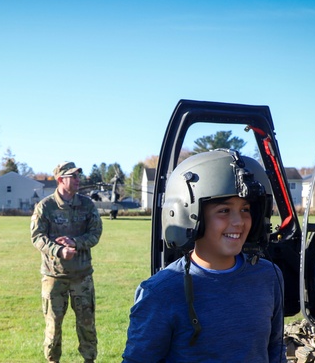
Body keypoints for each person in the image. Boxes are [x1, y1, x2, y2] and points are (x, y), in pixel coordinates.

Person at [122, 149, 285, 363]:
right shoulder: (161, 293)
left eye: (245, 209)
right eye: (224, 211)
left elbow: (275, 352)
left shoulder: (268, 277)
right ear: (190, 216)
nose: (239, 222)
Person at [31, 161, 103, 363]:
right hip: (54, 278)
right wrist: (59, 250)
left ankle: (89, 360)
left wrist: (76, 243)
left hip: (82, 277)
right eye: (74, 176)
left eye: (79, 176)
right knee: (53, 326)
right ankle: (53, 360)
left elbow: (96, 233)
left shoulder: (87, 205)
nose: (78, 180)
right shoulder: (45, 206)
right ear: (61, 179)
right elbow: (37, 237)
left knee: (87, 325)